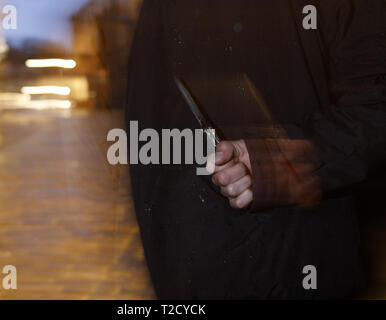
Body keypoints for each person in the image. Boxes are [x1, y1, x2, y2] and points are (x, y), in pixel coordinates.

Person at [125, 0, 385, 299]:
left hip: (292, 258)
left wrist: (275, 161)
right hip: (190, 263)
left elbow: (375, 104)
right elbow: (148, 114)